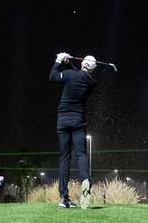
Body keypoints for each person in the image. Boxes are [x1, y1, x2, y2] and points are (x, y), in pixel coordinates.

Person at [49, 52, 97, 209]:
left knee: (64, 158)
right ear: (92, 69)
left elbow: (53, 76)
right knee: (81, 154)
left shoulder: (69, 75)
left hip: (62, 121)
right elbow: (80, 75)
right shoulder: (91, 81)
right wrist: (69, 63)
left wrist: (59, 60)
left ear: (83, 64)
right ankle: (85, 181)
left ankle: (63, 197)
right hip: (78, 122)